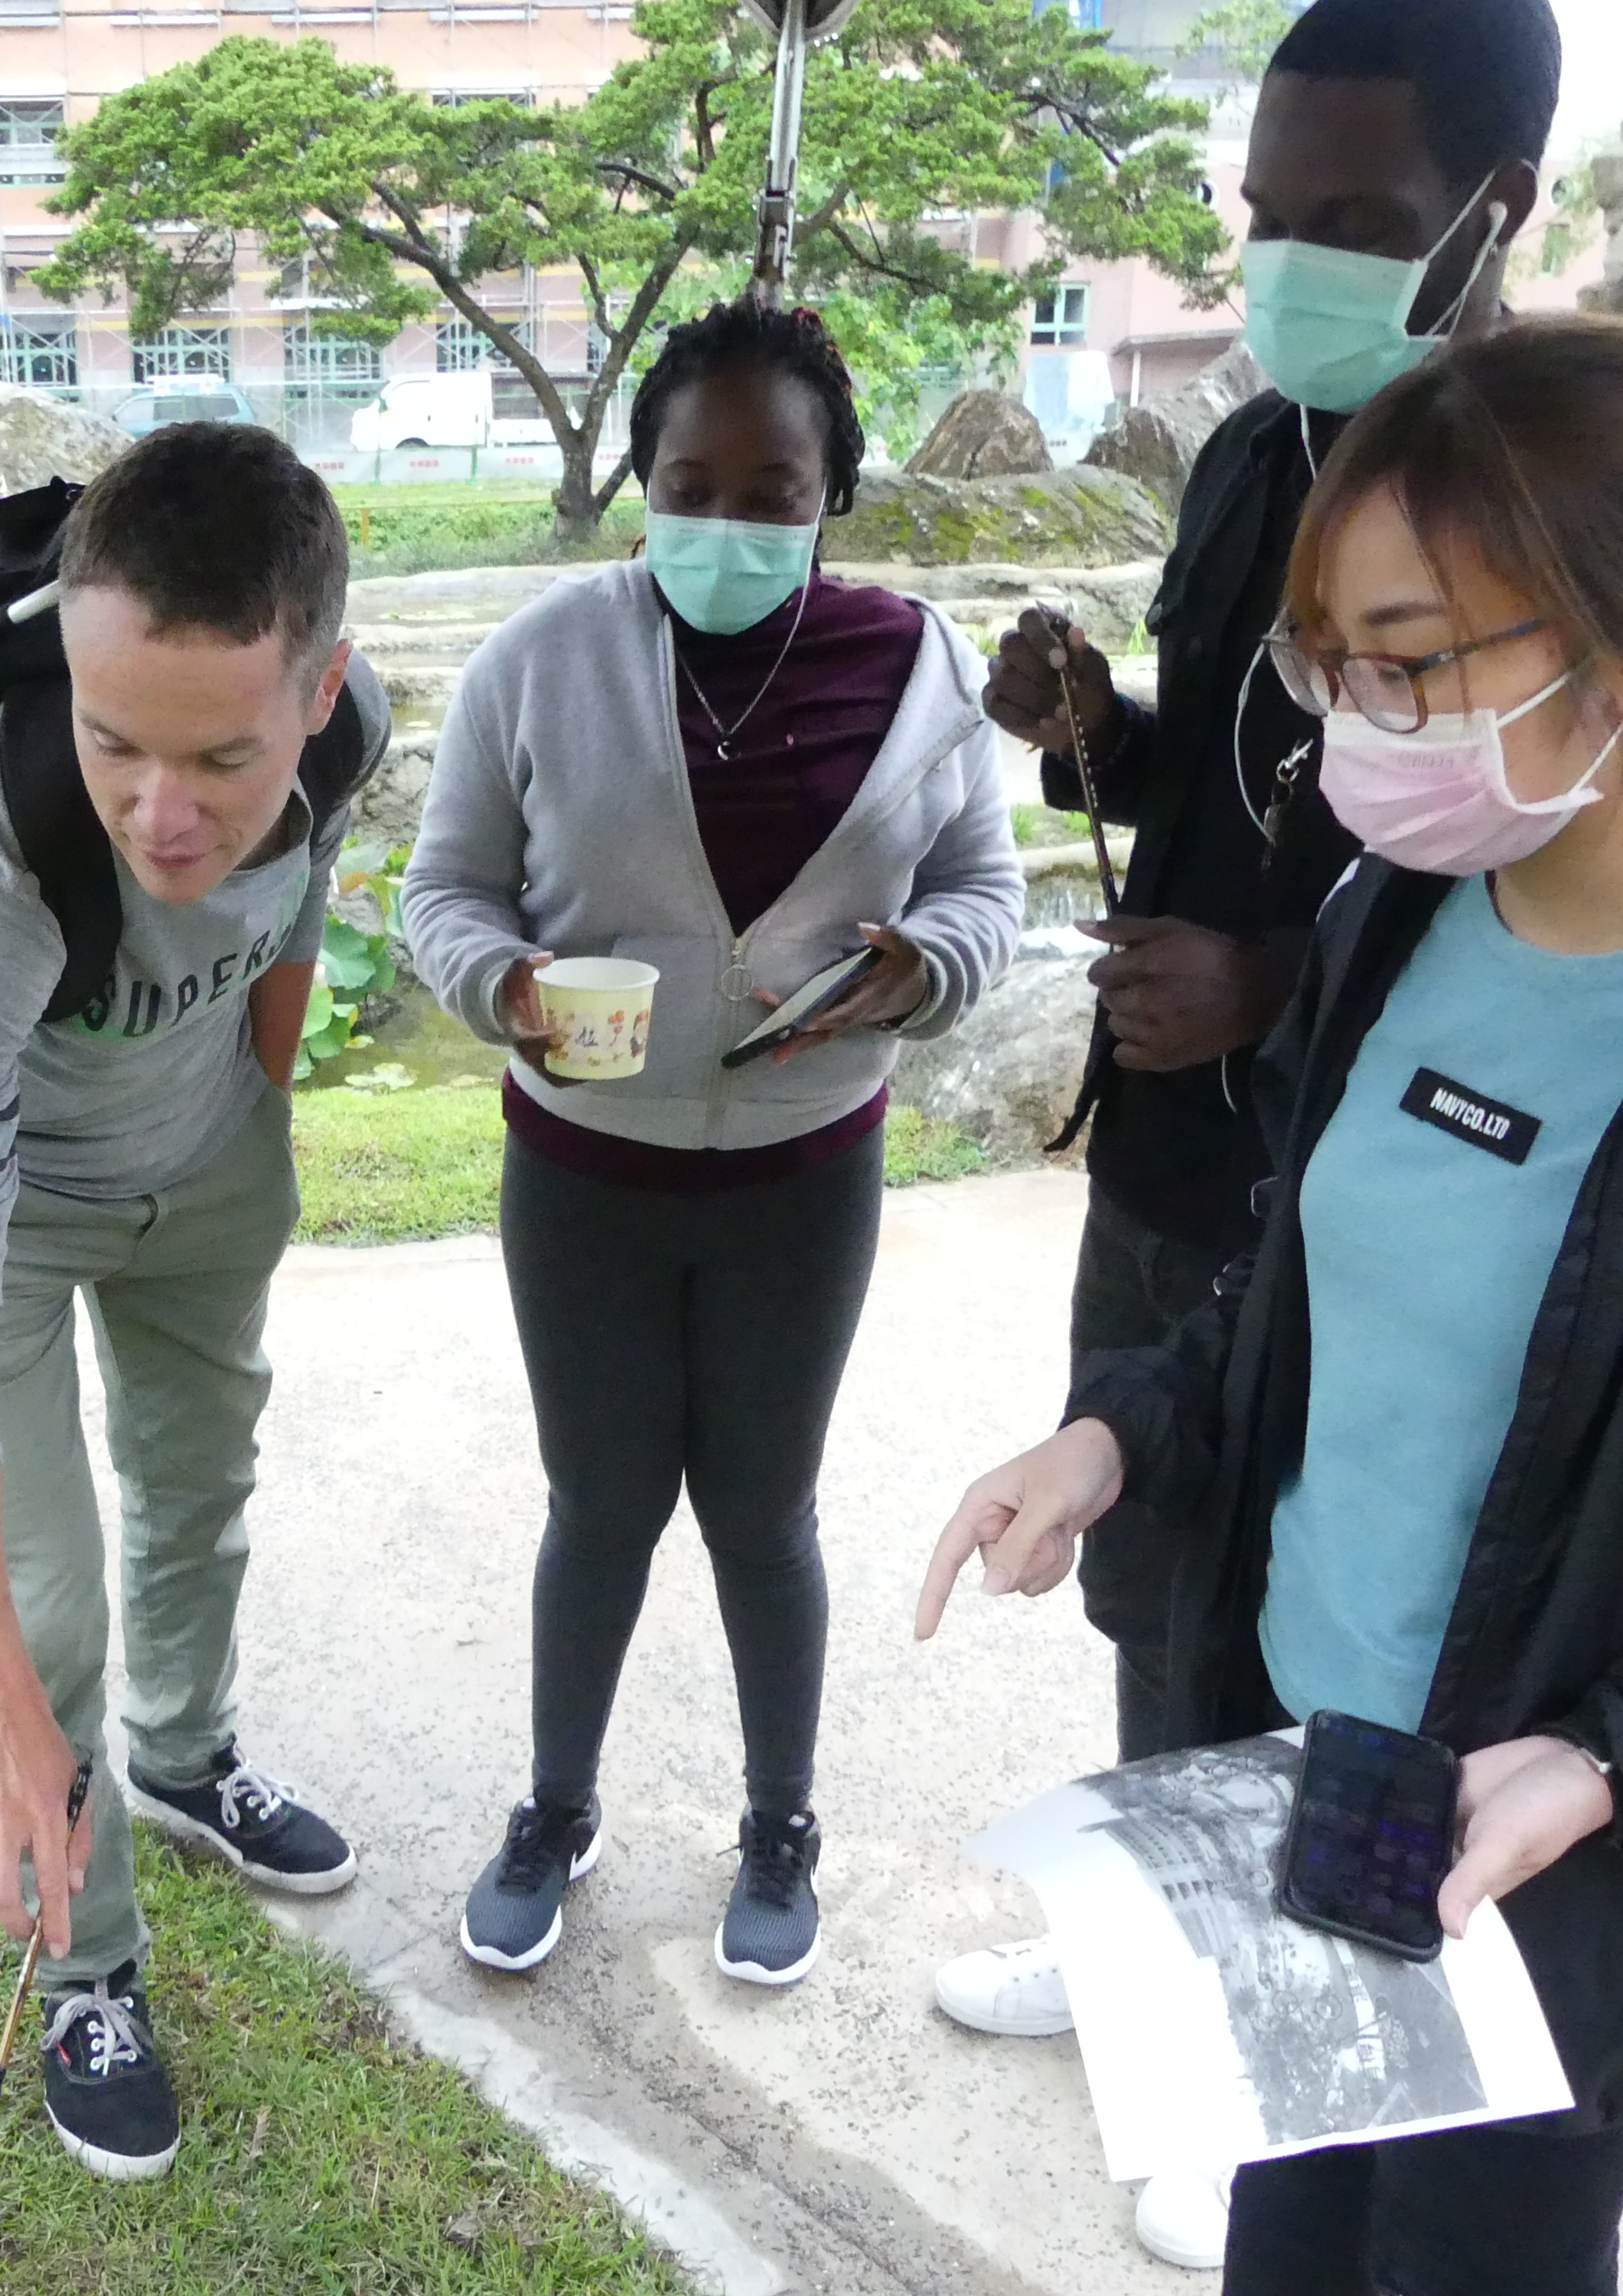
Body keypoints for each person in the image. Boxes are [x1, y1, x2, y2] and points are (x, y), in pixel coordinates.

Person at [916, 313, 1623, 2296]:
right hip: (1313, 1774)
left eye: (1416, 663)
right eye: (1328, 660)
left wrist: (1617, 1758)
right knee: (1293, 2237)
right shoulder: (1393, 916)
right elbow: (1301, 1295)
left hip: (1562, 1857)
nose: (1355, 721)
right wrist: (1125, 1433)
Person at [947, 0, 1563, 2262]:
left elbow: (1563, 876)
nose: (1294, 261)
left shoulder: (1544, 494)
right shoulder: (1248, 452)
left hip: (1403, 1187)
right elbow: (1218, 778)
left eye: (1355, 223)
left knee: (1341, 1624)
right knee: (1155, 1552)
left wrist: (1288, 984)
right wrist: (1088, 724)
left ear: (1497, 211)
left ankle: (1272, 2063)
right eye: (1267, 215)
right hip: (1177, 1147)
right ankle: (1156, 1948)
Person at [404, 298, 1022, 1986]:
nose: (729, 520)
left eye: (774, 487)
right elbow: (439, 888)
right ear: (636, 482)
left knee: (762, 1512)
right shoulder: (539, 657)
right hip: (582, 1174)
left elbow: (984, 883)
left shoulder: (917, 667)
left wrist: (927, 964)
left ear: (834, 491)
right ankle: (551, 1809)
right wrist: (504, 986)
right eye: (693, 481)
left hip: (802, 1176)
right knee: (596, 1504)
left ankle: (778, 1824)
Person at [0, 423, 376, 2182]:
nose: (161, 815)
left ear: (318, 695)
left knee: (200, 1484)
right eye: (112, 742)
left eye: (220, 758)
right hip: (4, 1223)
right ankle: (87, 1966)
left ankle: (187, 1755)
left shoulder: (345, 749)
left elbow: (291, 911)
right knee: (45, 1612)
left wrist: (263, 1105)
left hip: (209, 1169)